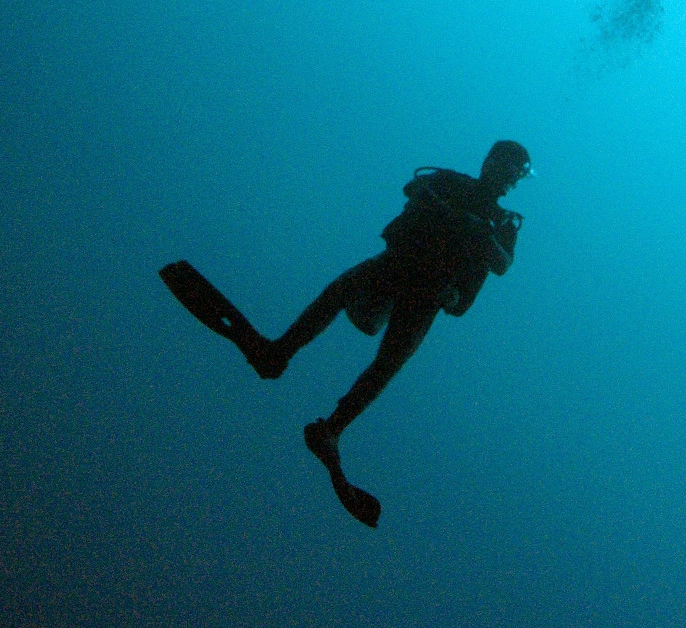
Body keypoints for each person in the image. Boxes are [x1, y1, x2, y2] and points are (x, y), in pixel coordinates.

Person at [160, 139, 531, 526]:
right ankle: (281, 357)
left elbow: (502, 263)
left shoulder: (503, 223)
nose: (510, 179)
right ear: (490, 162)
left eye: (517, 174)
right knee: (344, 298)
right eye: (509, 168)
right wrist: (455, 216)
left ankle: (331, 426)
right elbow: (414, 189)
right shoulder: (453, 184)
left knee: (388, 358)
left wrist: (474, 234)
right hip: (399, 265)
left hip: (429, 292)